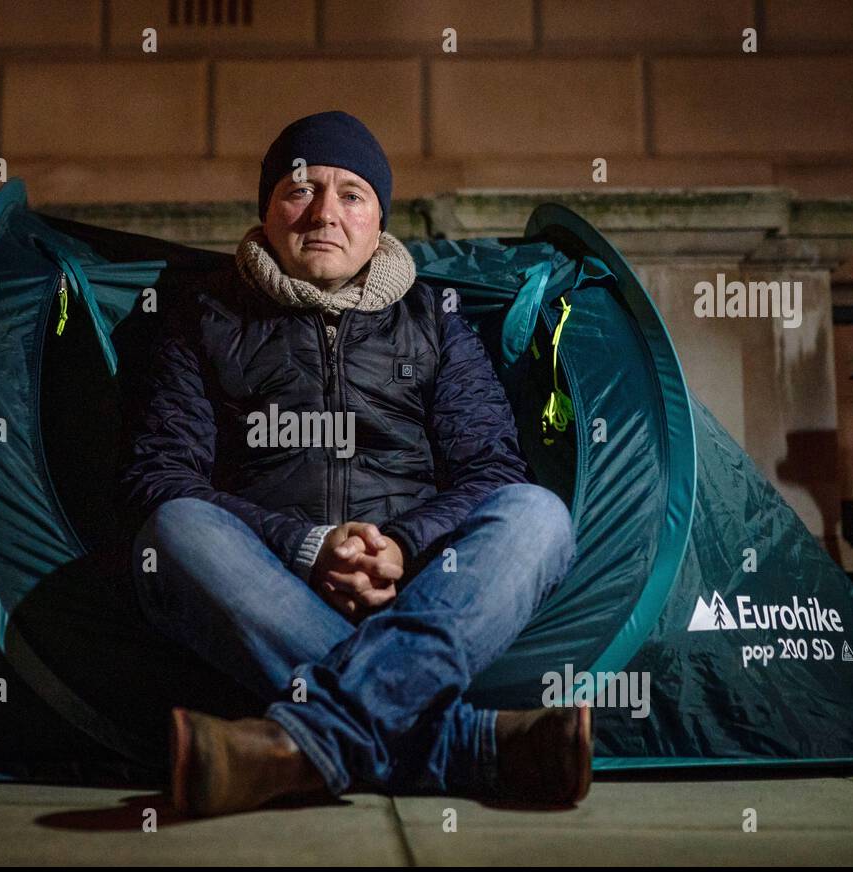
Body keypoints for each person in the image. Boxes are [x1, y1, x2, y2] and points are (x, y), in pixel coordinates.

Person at [120, 110, 590, 818]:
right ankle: (465, 743)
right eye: (300, 190)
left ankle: (297, 748)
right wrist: (307, 550)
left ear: (379, 221)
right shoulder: (202, 317)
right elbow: (161, 476)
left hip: (426, 589)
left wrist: (401, 548)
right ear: (268, 209)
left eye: (351, 195)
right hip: (271, 584)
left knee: (538, 515)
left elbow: (491, 471)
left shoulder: (435, 319)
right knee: (174, 529)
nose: (324, 214)